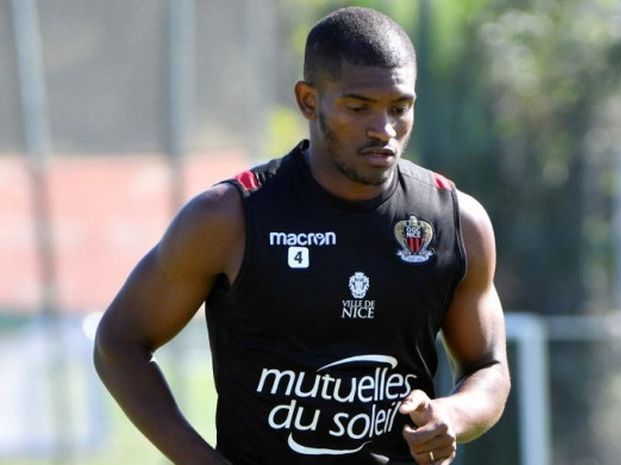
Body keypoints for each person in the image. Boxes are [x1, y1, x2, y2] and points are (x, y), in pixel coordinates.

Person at [94, 6, 510, 465]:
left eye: (399, 107)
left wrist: (453, 413)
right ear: (309, 101)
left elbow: (488, 367)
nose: (384, 130)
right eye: (358, 107)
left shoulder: (455, 221)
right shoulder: (229, 217)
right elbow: (119, 343)